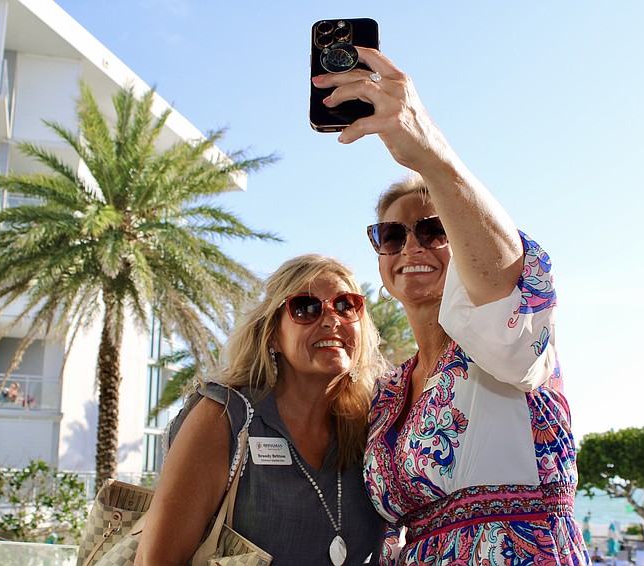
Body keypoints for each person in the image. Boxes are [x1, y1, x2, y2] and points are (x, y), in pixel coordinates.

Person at [313, 48, 589, 564]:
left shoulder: (503, 337)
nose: (411, 247)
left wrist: (428, 152)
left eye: (434, 229)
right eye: (391, 235)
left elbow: (505, 280)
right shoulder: (390, 391)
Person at [134, 254, 388, 565]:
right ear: (272, 336)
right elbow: (156, 560)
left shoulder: (374, 427)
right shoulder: (225, 417)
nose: (331, 319)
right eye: (306, 308)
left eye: (346, 305)